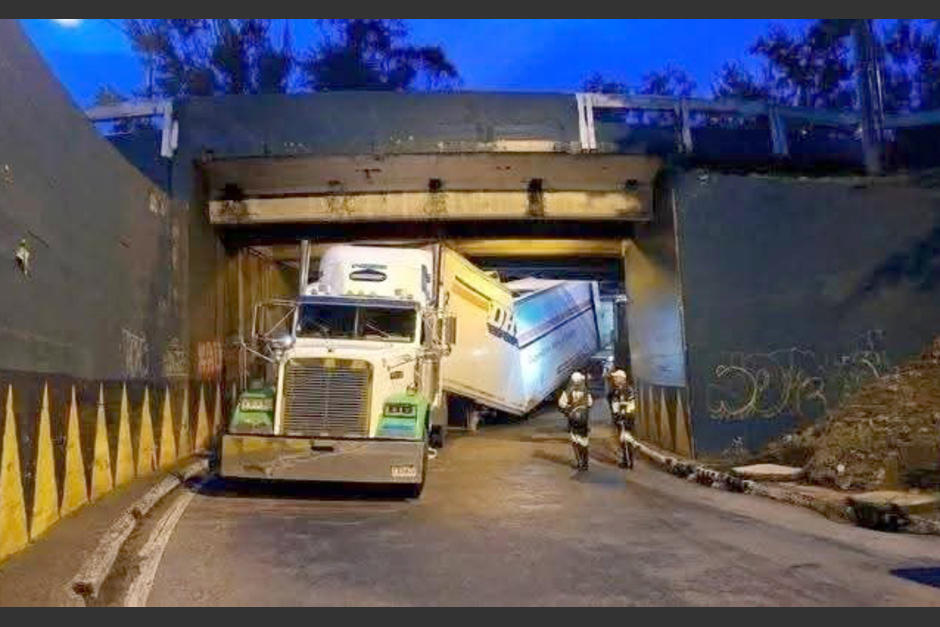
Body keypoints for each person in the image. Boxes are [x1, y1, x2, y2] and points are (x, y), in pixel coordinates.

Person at [558, 371, 593, 472]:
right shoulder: (585, 390)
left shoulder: (568, 391)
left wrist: (568, 408)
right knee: (584, 441)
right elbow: (590, 403)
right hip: (583, 419)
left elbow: (561, 404)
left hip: (573, 419)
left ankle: (580, 462)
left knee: (575, 440)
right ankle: (585, 463)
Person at [606, 369, 636, 468]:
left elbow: (629, 404)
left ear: (621, 378)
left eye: (616, 377)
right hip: (622, 417)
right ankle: (626, 459)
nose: (614, 379)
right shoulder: (618, 389)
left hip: (625, 418)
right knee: (623, 439)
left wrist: (623, 415)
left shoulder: (625, 390)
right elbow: (614, 403)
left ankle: (628, 462)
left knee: (626, 439)